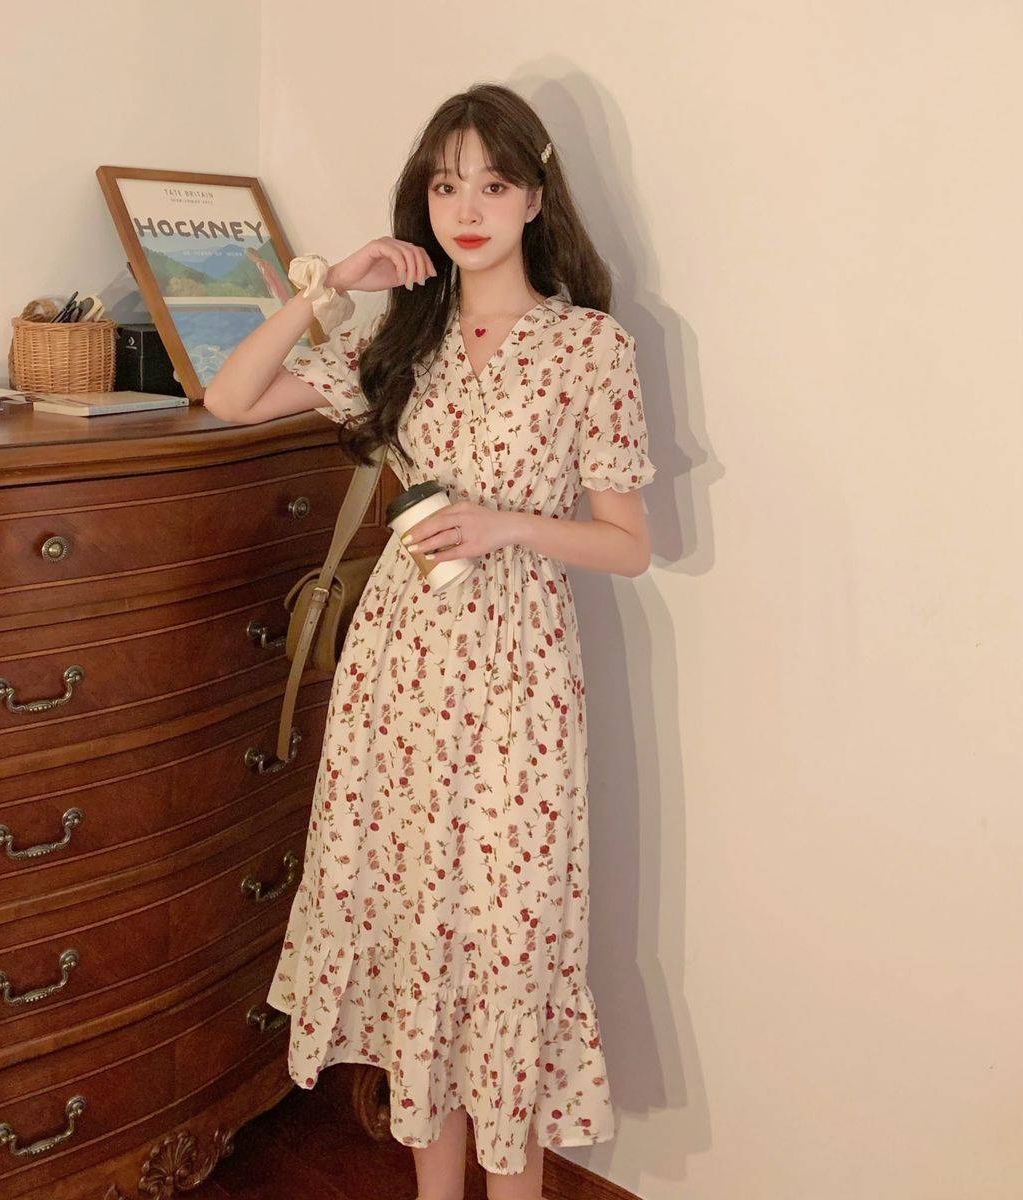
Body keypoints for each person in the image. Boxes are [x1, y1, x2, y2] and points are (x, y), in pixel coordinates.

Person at [204, 82, 656, 1200]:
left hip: (518, 681)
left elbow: (629, 544)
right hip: (397, 675)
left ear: (536, 199)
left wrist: (508, 525)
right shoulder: (402, 338)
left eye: (493, 185)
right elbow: (228, 397)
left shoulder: (590, 347)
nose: (468, 209)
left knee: (505, 953)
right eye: (447, 185)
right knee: (422, 950)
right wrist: (333, 286)